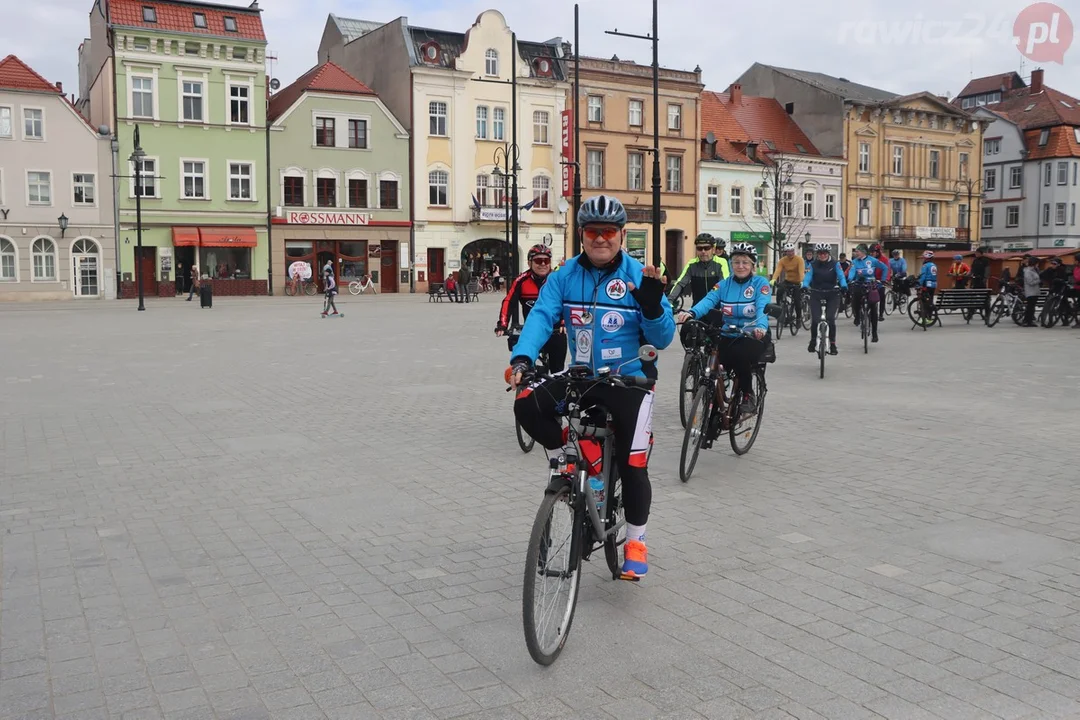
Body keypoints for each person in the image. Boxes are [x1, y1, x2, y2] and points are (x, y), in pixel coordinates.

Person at [510, 194, 674, 580]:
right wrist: (522, 358)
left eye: (609, 232)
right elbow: (541, 318)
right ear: (581, 235)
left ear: (621, 234)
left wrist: (652, 307)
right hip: (583, 376)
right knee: (527, 405)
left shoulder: (639, 275)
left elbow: (663, 339)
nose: (601, 239)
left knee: (635, 464)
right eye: (592, 232)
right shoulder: (564, 276)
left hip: (631, 381)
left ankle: (636, 540)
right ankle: (573, 454)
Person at [677, 242, 770, 416]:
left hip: (753, 335)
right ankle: (713, 415)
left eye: (745, 262)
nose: (740, 266)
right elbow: (708, 300)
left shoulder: (760, 284)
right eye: (736, 262)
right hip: (729, 333)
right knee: (714, 359)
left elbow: (762, 308)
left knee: (740, 355)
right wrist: (691, 313)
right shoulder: (724, 285)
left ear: (752, 265)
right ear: (731, 264)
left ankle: (748, 395)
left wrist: (761, 327)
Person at [496, 245, 567, 373]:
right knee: (529, 371)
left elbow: (567, 302)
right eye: (538, 261)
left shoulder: (557, 279)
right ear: (529, 262)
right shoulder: (521, 280)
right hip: (533, 331)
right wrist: (502, 324)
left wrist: (564, 321)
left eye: (547, 261)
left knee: (558, 373)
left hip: (556, 331)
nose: (543, 264)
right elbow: (509, 301)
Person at [803, 243, 848, 355]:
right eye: (820, 253)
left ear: (828, 254)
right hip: (816, 293)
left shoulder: (835, 264)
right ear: (817, 254)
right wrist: (804, 286)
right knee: (815, 320)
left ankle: (832, 344)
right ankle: (813, 341)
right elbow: (808, 277)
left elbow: (841, 276)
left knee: (830, 319)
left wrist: (844, 286)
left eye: (824, 253)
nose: (822, 255)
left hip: (832, 294)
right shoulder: (813, 265)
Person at [667, 233, 727, 308]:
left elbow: (723, 284)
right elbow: (680, 283)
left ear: (713, 249)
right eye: (699, 248)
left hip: (717, 308)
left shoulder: (721, 262)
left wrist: (711, 297)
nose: (703, 251)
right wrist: (669, 301)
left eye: (706, 248)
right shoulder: (692, 264)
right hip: (696, 308)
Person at [847, 244, 888, 342]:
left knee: (873, 308)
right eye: (856, 251)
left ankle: (874, 333)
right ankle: (857, 316)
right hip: (859, 284)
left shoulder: (872, 260)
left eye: (858, 251)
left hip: (871, 285)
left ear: (863, 252)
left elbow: (885, 268)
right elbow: (852, 271)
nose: (856, 253)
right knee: (855, 300)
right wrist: (850, 279)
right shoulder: (854, 262)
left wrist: (882, 280)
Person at [771, 243, 806, 326]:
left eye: (792, 251)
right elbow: (778, 270)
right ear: (785, 252)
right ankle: (780, 308)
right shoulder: (783, 260)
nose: (790, 253)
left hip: (797, 282)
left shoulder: (799, 259)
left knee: (797, 300)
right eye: (788, 251)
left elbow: (801, 272)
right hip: (788, 281)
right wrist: (773, 279)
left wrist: (802, 281)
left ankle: (798, 318)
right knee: (779, 290)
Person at [869, 244, 891, 319]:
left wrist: (884, 280)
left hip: (880, 280)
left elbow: (887, 270)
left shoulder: (884, 260)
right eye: (870, 252)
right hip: (871, 280)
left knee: (882, 296)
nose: (871, 254)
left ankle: (881, 314)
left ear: (877, 252)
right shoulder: (869, 259)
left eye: (873, 252)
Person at [917, 251, 938, 321]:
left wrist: (919, 284)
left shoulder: (925, 266)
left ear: (926, 258)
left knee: (924, 302)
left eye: (924, 257)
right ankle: (930, 316)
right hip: (933, 284)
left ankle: (925, 317)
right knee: (930, 300)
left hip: (927, 284)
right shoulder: (934, 265)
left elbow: (923, 276)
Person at [1021, 255, 1041, 326]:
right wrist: (1038, 280)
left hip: (1035, 291)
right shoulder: (1028, 271)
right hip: (1030, 291)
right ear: (1034, 263)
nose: (1038, 265)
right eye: (1037, 263)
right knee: (1030, 307)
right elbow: (1030, 282)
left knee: (1032, 307)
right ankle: (1026, 321)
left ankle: (1029, 321)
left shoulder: (1034, 270)